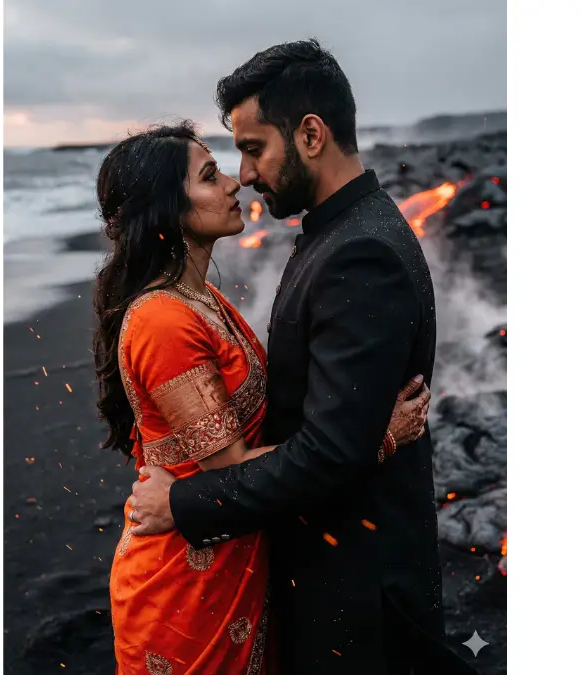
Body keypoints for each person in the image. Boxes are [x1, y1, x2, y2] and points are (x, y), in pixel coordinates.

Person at [126, 41, 480, 674]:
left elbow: (329, 452)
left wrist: (179, 505)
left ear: (311, 134)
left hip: (354, 590)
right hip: (323, 568)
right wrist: (375, 435)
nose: (247, 174)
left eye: (254, 147)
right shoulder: (340, 232)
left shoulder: (358, 253)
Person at [91, 121, 432, 675]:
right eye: (210, 175)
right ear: (166, 210)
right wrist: (373, 438)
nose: (234, 183)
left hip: (235, 560)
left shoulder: (198, 298)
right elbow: (228, 475)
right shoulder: (162, 320)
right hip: (186, 582)